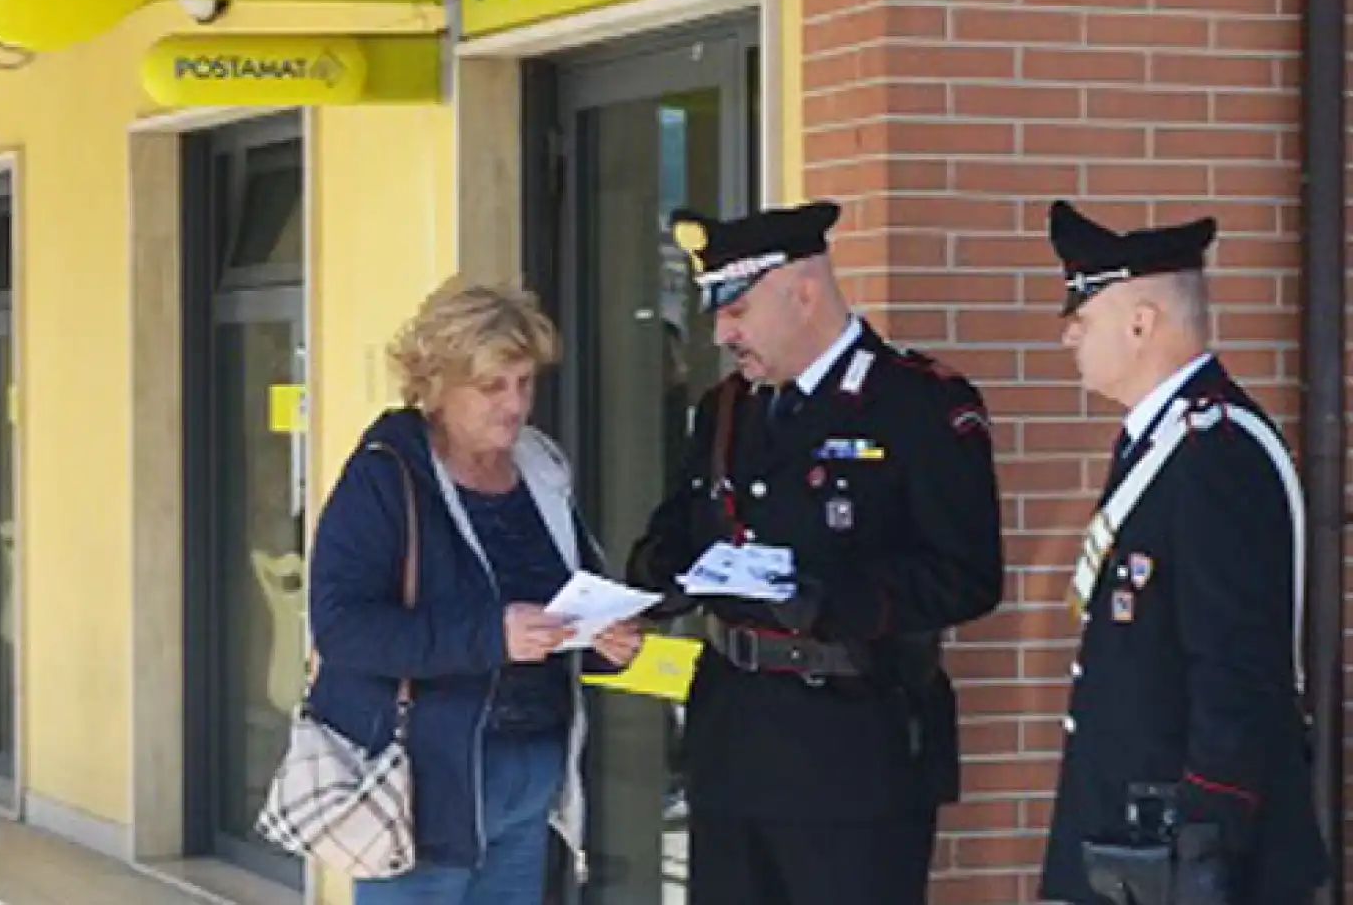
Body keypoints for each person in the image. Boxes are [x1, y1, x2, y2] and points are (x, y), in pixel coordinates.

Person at [624, 200, 1004, 905]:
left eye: (736, 308)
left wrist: (830, 604)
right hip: (732, 743)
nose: (721, 331)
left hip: (853, 749)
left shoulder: (917, 404)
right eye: (715, 310)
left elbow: (967, 575)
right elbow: (676, 524)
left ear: (803, 294)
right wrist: (656, 580)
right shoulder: (727, 407)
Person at [305, 279, 643, 905]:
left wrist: (603, 639)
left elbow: (570, 594)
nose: (514, 405)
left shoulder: (540, 465)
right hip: (424, 782)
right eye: (492, 387)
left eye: (524, 383)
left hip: (534, 769)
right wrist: (491, 635)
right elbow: (341, 626)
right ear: (435, 385)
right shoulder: (386, 473)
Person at [1036, 200, 1327, 905]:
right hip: (1135, 839)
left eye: (1085, 316)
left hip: (1185, 849)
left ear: (1141, 323)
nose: (1070, 336)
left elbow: (1236, 665)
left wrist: (1208, 836)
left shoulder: (1213, 452)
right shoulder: (1161, 439)